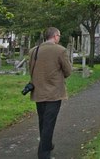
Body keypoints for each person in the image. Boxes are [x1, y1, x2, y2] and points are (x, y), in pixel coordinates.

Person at [29, 27, 73, 159]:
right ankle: (43, 154)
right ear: (55, 36)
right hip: (54, 92)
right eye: (59, 36)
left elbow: (30, 68)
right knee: (49, 122)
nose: (59, 38)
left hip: (38, 91)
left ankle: (46, 144)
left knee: (43, 121)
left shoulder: (33, 50)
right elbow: (68, 71)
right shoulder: (60, 50)